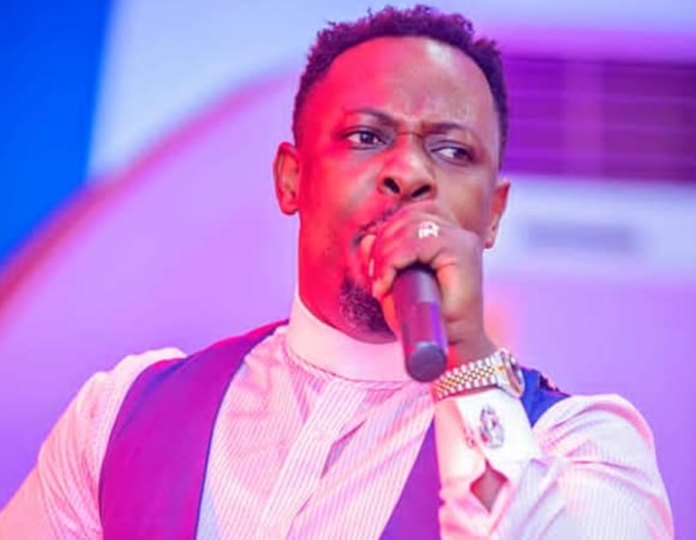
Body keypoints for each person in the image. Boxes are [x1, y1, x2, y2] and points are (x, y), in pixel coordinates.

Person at [0, 5, 673, 539]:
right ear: (291, 179)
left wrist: (466, 355)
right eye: (366, 137)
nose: (409, 172)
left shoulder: (581, 447)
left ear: (492, 215)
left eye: (451, 150)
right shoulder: (119, 415)